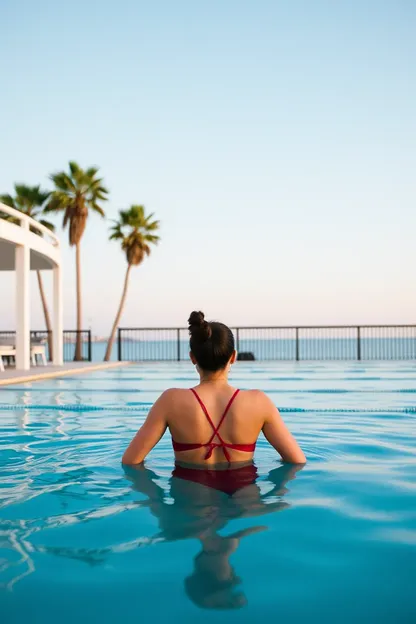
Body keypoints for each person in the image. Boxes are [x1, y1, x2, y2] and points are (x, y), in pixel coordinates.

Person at [123, 311, 306, 476]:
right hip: (244, 503)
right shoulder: (258, 402)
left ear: (192, 357)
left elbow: (131, 461)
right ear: (233, 357)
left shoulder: (170, 401)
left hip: (191, 503)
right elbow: (297, 461)